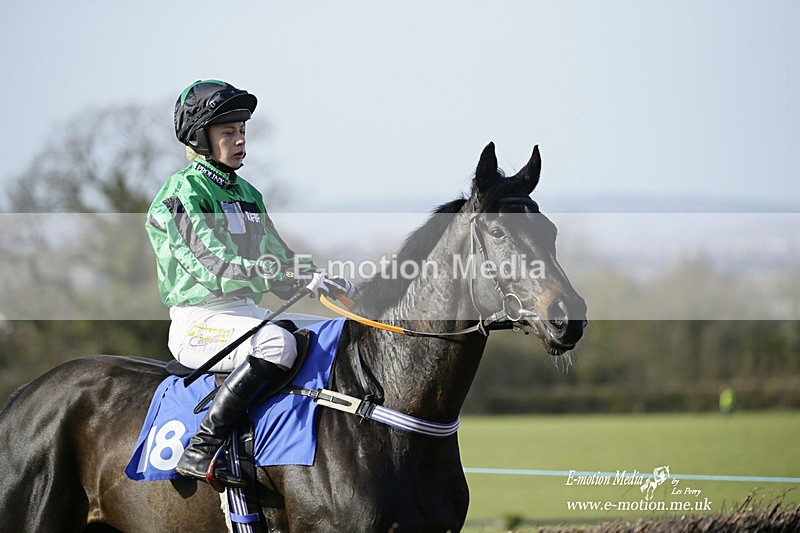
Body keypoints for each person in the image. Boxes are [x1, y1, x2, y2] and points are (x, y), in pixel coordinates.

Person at [145, 79, 355, 488]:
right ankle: (202, 447)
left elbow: (280, 256)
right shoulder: (181, 193)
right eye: (228, 132)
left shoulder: (247, 193)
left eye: (242, 131)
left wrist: (325, 278)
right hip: (199, 322)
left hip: (247, 314)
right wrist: (290, 275)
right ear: (201, 139)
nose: (240, 141)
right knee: (279, 344)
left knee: (337, 332)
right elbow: (213, 266)